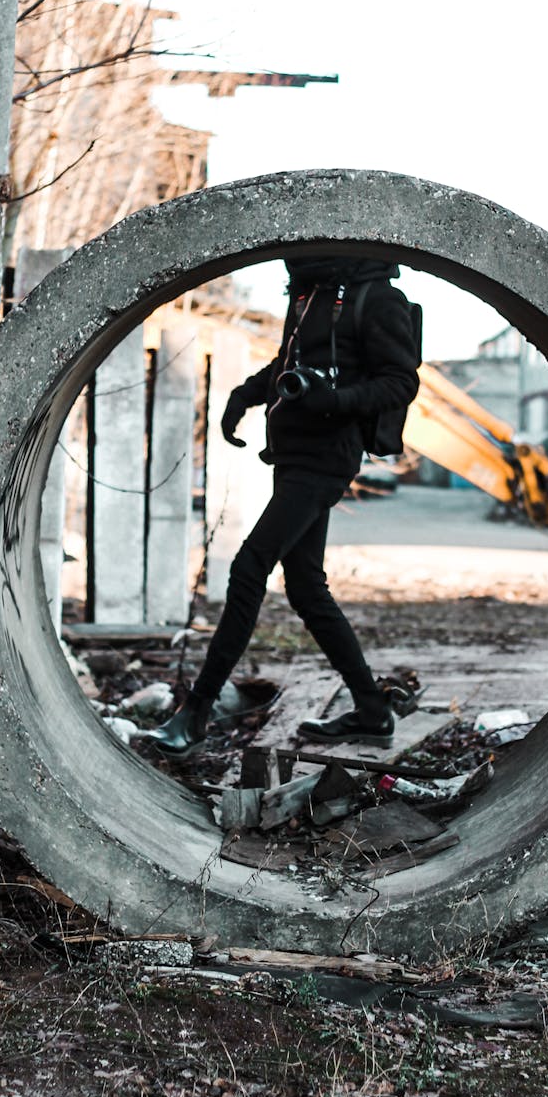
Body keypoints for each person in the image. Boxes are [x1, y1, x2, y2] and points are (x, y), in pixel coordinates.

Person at [149, 254, 420, 758]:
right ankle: (372, 711)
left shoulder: (375, 297)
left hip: (327, 458)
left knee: (249, 566)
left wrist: (333, 401)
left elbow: (402, 380)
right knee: (306, 589)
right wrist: (244, 395)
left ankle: (197, 712)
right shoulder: (308, 292)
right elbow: (288, 367)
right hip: (293, 456)